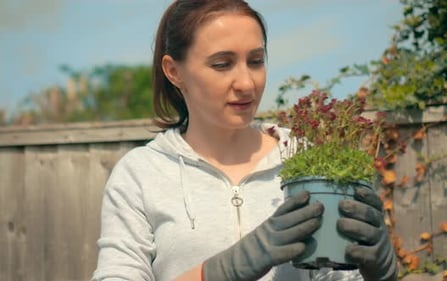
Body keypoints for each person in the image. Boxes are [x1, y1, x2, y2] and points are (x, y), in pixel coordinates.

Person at [92, 0, 398, 280]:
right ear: (174, 71)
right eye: (222, 64)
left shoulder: (303, 160)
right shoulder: (141, 174)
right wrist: (223, 270)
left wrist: (379, 274)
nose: (246, 83)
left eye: (255, 61)